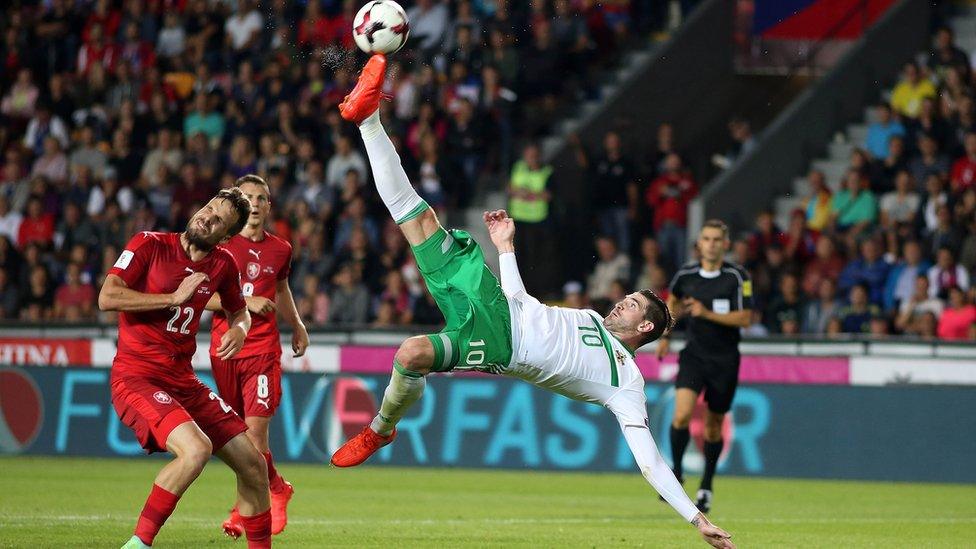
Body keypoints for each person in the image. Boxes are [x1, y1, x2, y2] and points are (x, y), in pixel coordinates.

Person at [328, 54, 735, 549]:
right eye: (625, 297)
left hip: (499, 344)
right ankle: (369, 119)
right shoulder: (587, 316)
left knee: (410, 354)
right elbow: (523, 302)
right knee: (419, 220)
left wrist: (696, 520)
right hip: (498, 300)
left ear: (645, 328)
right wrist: (505, 249)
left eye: (631, 305)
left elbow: (649, 459)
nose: (619, 304)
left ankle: (380, 428)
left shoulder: (625, 382)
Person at [98, 188, 273, 549]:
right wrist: (172, 298)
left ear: (225, 236)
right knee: (196, 449)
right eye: (208, 208)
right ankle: (138, 545)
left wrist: (240, 331)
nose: (207, 217)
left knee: (255, 466)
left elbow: (238, 311)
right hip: (137, 376)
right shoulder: (149, 244)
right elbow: (107, 297)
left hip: (184, 382)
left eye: (218, 220)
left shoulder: (223, 264)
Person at [205, 176, 308, 539]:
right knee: (237, 438)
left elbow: (281, 287)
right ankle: (277, 486)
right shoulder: (220, 247)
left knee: (255, 436)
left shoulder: (281, 249)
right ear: (238, 204)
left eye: (261, 198)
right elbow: (200, 297)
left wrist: (296, 324)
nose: (254, 203)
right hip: (226, 350)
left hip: (263, 351)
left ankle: (240, 510)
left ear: (268, 207)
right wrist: (244, 302)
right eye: (247, 197)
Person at [656, 220, 753, 513]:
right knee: (682, 414)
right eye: (706, 239)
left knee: (712, 427)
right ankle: (675, 473)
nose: (710, 244)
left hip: (724, 360)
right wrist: (665, 334)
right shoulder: (686, 275)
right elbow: (671, 302)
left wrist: (706, 313)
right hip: (694, 356)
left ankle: (707, 484)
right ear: (699, 243)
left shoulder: (737, 277)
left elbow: (745, 318)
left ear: (725, 244)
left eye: (716, 239)